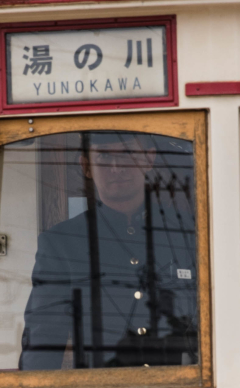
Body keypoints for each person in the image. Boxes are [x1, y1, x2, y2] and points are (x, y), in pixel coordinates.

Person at [19, 131, 198, 369]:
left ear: (148, 158)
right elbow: (43, 338)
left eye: (127, 153)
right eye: (103, 156)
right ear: (86, 166)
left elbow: (220, 320)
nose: (116, 167)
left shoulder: (190, 232)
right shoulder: (61, 243)